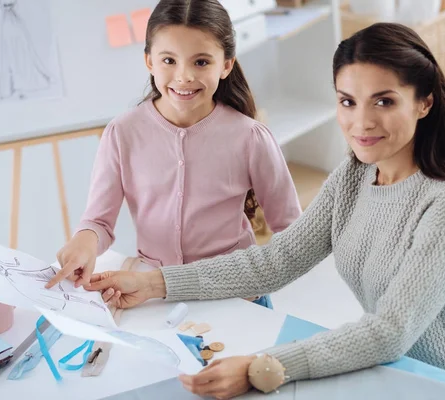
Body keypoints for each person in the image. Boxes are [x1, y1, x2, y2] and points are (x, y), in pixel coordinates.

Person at [83, 22, 445, 399]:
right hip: (401, 367)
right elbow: (274, 261)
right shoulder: (355, 175)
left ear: (424, 103)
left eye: (383, 101)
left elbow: (390, 331)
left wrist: (262, 366)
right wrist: (153, 283)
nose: (361, 122)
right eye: (348, 101)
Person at [45, 0, 302, 311]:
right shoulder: (123, 133)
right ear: (149, 61)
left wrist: (257, 275)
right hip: (151, 294)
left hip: (236, 298)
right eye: (169, 60)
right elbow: (99, 220)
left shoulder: (250, 137)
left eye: (201, 62)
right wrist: (83, 243)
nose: (183, 77)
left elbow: (291, 230)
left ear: (226, 65)